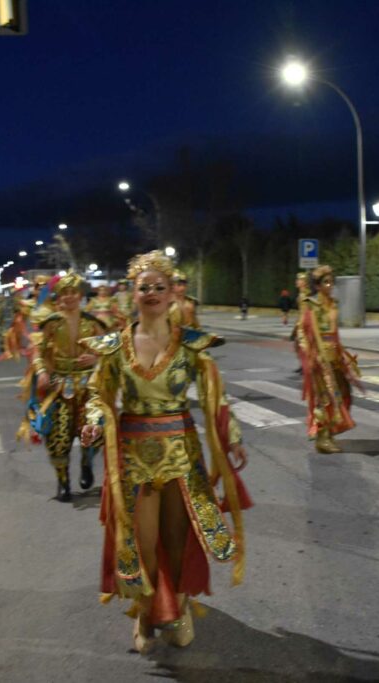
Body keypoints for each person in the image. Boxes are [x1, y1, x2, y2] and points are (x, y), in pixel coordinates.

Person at [79, 250, 250, 653]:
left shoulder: (190, 344)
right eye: (144, 287)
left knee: (178, 540)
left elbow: (215, 399)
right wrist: (93, 420)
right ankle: (144, 611)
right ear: (132, 294)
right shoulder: (115, 347)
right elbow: (98, 395)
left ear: (173, 293)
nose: (152, 293)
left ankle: (181, 607)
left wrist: (234, 437)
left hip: (181, 454)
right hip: (135, 456)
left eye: (160, 286)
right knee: (143, 540)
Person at [29, 273, 108, 501]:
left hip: (88, 385)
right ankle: (63, 482)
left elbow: (108, 349)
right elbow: (38, 351)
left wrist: (96, 359)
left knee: (91, 430)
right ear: (59, 296)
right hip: (59, 383)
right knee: (59, 435)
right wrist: (43, 371)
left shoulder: (92, 323)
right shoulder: (51, 323)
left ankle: (87, 462)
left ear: (80, 295)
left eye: (73, 292)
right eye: (64, 293)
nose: (69, 297)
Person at [296, 265, 363, 453]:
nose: (330, 285)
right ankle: (322, 437)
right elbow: (302, 332)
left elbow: (335, 334)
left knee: (343, 393)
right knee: (326, 397)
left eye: (331, 282)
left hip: (335, 356)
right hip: (320, 358)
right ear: (318, 286)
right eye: (326, 282)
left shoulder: (333, 304)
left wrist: (343, 355)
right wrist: (310, 355)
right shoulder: (311, 305)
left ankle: (330, 433)